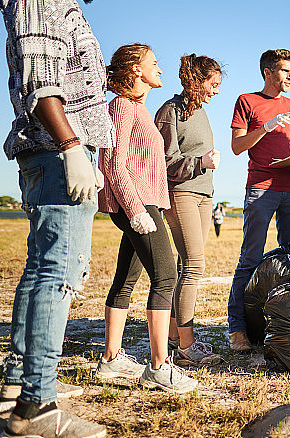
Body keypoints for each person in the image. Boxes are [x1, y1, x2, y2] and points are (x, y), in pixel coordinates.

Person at [0, 0, 112, 437]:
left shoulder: (54, 4)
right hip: (54, 154)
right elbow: (43, 83)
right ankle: (37, 406)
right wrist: (72, 147)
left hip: (55, 154)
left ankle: (17, 386)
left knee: (42, 268)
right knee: (57, 274)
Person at [97, 44, 197, 393]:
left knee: (126, 277)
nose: (160, 68)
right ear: (136, 71)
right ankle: (159, 366)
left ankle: (110, 359)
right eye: (153, 63)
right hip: (137, 204)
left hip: (146, 203)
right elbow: (112, 163)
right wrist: (136, 209)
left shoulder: (137, 108)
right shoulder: (122, 107)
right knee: (167, 276)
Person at [227, 49, 290, 351]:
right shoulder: (246, 101)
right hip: (260, 187)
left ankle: (284, 327)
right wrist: (264, 128)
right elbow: (237, 147)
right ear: (268, 72)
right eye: (284, 71)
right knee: (250, 259)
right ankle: (237, 330)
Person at [155, 53, 223, 365]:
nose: (217, 91)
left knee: (187, 267)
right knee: (195, 265)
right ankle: (187, 345)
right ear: (197, 81)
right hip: (181, 193)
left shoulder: (202, 114)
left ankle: (172, 339)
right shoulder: (171, 110)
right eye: (214, 84)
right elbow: (165, 161)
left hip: (203, 196)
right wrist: (202, 162)